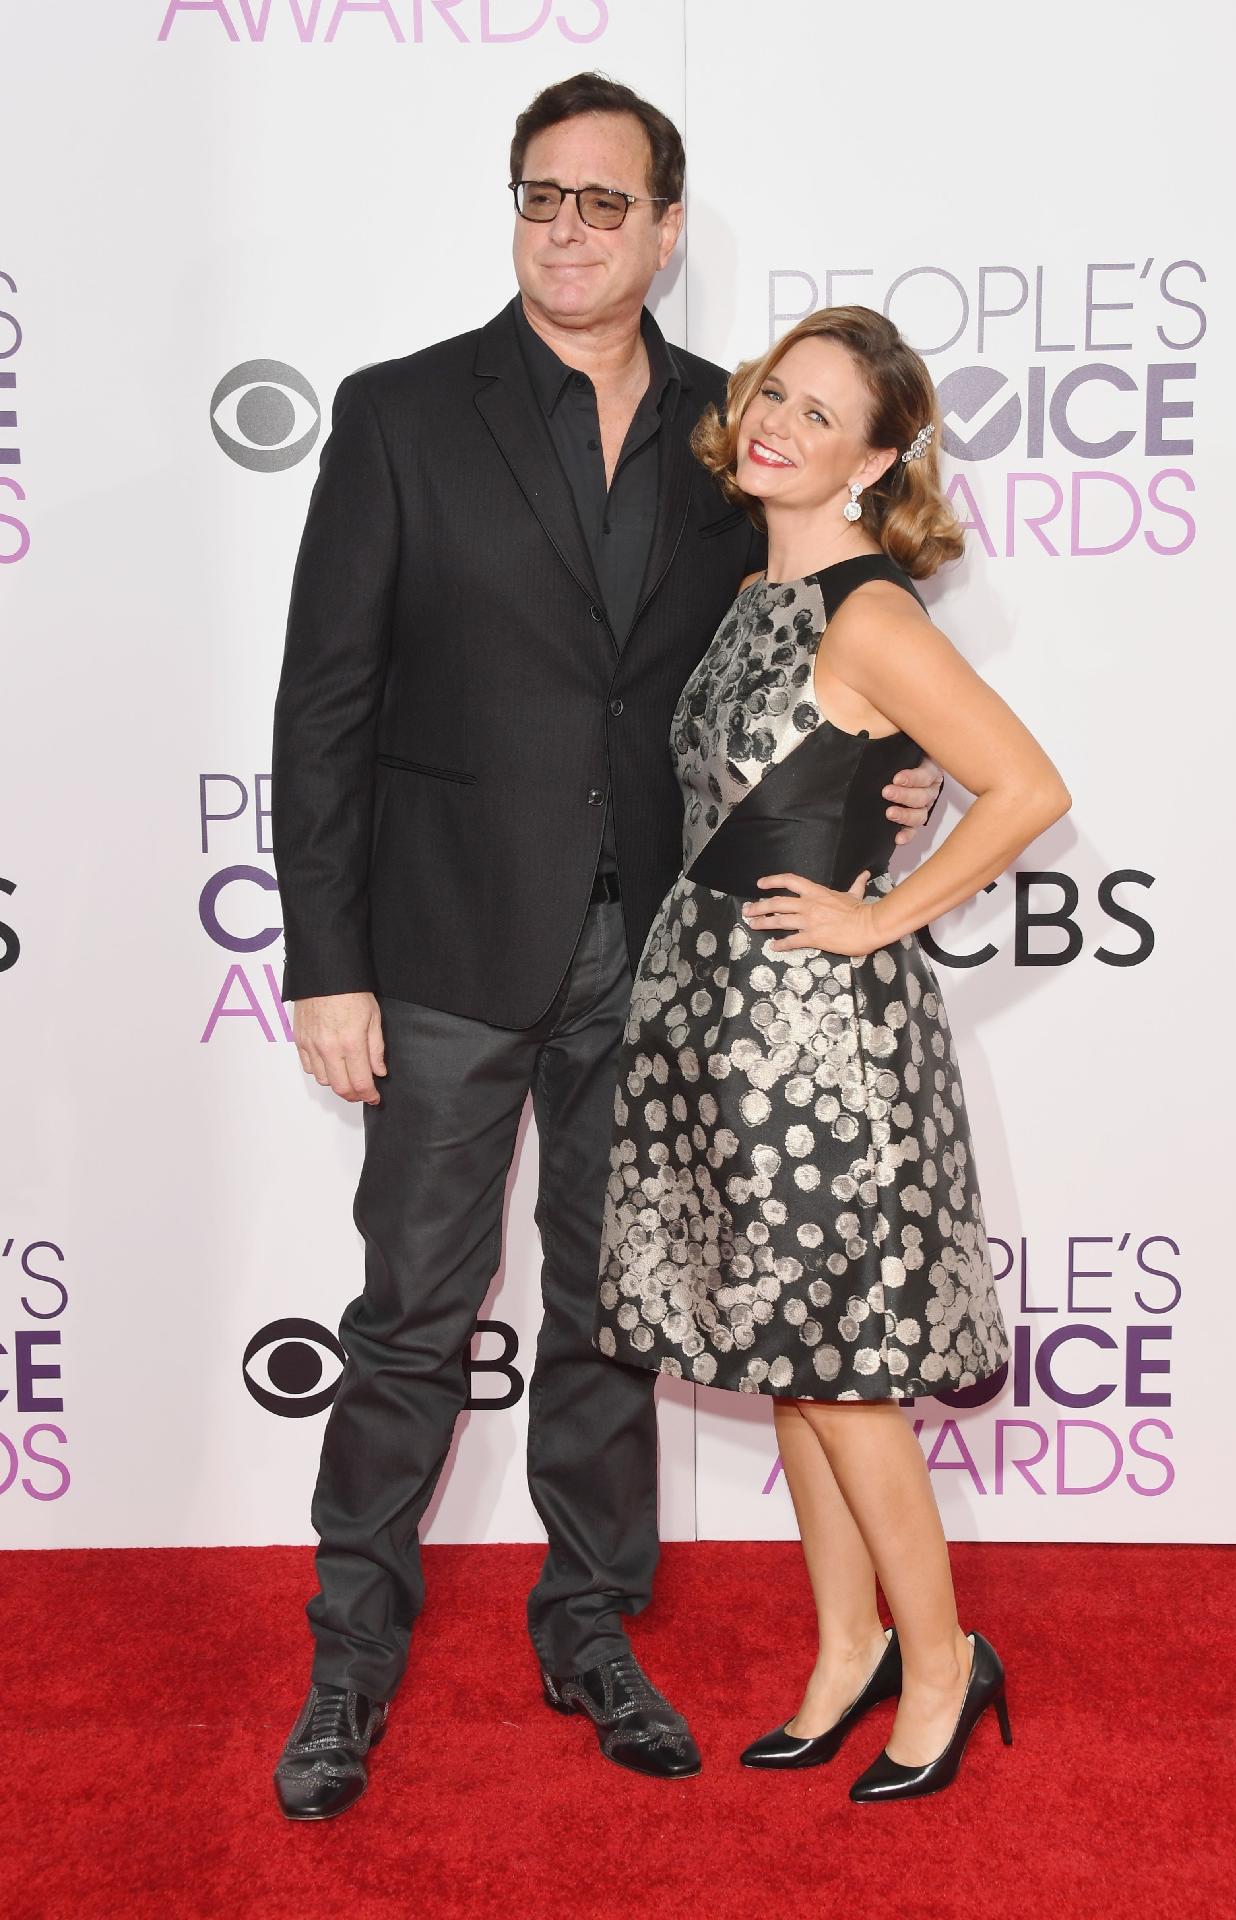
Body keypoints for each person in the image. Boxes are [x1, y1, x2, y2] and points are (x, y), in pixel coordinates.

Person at [269, 81, 942, 1820]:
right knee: (413, 1313)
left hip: (664, 955)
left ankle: (588, 1628)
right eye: (539, 197)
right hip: (435, 943)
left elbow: (825, 634)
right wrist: (324, 959)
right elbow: (323, 707)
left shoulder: (744, 433)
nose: (566, 229)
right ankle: (352, 1661)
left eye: (602, 203)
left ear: (667, 228)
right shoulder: (402, 411)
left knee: (605, 1314)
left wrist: (901, 774)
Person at [594, 305, 1070, 1803]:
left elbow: (1028, 787)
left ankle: (942, 1664)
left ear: (875, 460)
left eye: (822, 413)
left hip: (820, 1045)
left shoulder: (872, 613)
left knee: (847, 1375)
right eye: (774, 393)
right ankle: (846, 1647)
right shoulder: (754, 597)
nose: (781, 423)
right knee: (795, 1370)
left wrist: (884, 920)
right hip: (720, 1024)